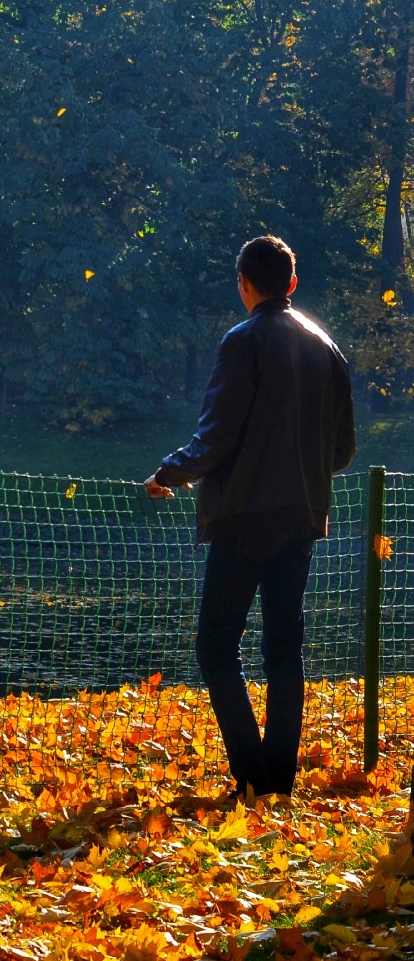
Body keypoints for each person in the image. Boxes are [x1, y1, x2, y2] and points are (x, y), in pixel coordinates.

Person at [145, 235, 354, 802]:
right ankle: (278, 779)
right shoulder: (325, 347)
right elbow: (342, 451)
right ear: (291, 283)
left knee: (216, 646)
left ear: (243, 283)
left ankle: (252, 774)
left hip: (242, 518)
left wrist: (167, 474)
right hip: (303, 516)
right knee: (285, 648)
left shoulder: (243, 342)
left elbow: (215, 437)